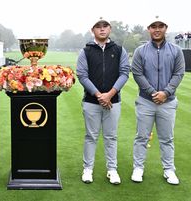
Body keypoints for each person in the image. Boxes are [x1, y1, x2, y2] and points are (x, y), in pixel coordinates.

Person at [131, 16, 185, 185]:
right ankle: (138, 168)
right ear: (149, 29)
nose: (157, 29)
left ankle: (169, 170)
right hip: (146, 101)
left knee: (167, 138)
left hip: (167, 102)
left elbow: (178, 73)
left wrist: (166, 93)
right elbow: (137, 73)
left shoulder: (176, 50)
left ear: (165, 28)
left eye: (160, 26)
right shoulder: (141, 51)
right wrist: (154, 93)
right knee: (142, 137)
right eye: (153, 26)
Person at [76, 17, 130, 185]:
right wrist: (100, 95)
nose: (102, 29)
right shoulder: (86, 51)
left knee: (111, 137)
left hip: (113, 101)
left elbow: (124, 73)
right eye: (98, 27)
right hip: (91, 101)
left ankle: (112, 170)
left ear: (110, 29)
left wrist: (109, 94)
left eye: (105, 26)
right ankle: (88, 169)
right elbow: (82, 75)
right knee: (91, 136)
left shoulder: (119, 50)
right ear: (93, 30)